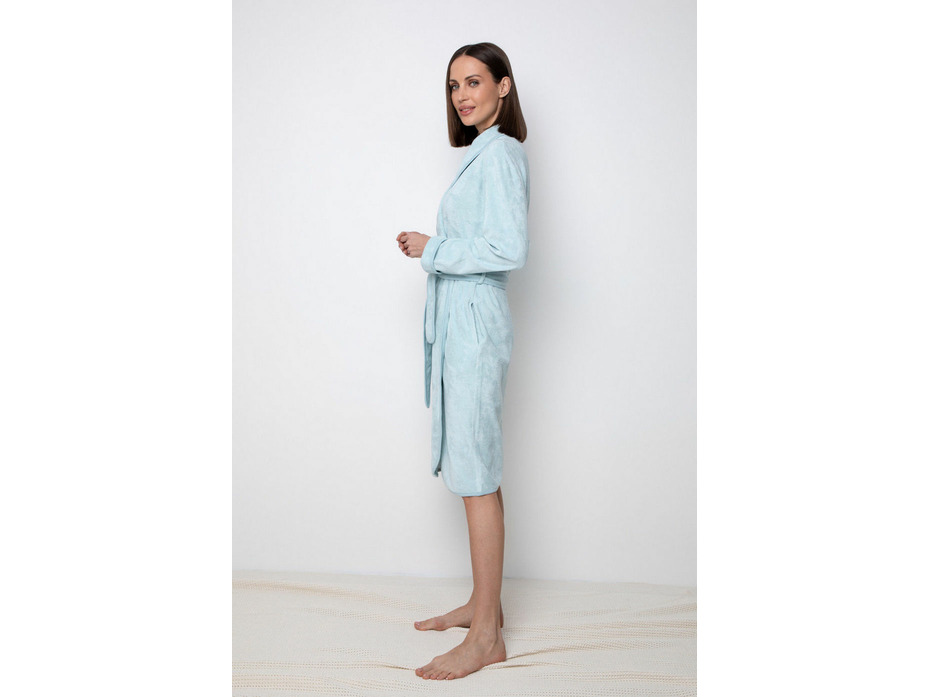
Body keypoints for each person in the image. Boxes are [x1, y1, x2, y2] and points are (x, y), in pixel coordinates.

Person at [396, 42, 529, 681]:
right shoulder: (482, 153)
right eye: (454, 86)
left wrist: (433, 247)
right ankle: (484, 606)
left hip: (474, 322)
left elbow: (508, 247)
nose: (462, 96)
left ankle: (485, 640)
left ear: (503, 86)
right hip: (464, 319)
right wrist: (434, 248)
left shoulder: (500, 153)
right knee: (477, 464)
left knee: (476, 473)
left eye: (474, 82)